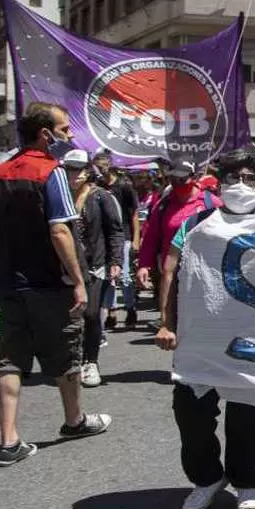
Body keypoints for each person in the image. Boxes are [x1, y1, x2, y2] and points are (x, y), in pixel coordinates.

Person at [0, 102, 111, 467]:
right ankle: (74, 421)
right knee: (65, 353)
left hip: (9, 282)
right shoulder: (50, 172)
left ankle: (9, 440)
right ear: (45, 133)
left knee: (9, 359)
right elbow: (59, 230)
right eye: (65, 130)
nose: (68, 136)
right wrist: (77, 279)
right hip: (48, 282)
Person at [155, 148, 255, 509]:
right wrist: (166, 323)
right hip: (201, 335)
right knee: (190, 412)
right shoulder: (196, 224)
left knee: (252, 413)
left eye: (249, 179)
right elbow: (171, 271)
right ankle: (206, 478)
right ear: (219, 184)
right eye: (232, 179)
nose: (240, 186)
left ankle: (248, 481)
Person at [63, 150, 125, 388]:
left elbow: (115, 231)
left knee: (90, 314)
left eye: (78, 169)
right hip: (67, 266)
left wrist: (116, 261)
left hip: (95, 266)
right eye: (69, 169)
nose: (74, 175)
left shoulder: (101, 197)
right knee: (69, 316)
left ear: (87, 172)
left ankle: (91, 362)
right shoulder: (59, 196)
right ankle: (71, 360)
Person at [138, 159, 219, 334]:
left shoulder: (211, 203)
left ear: (194, 178)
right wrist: (144, 265)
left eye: (182, 179)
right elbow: (151, 236)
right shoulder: (163, 205)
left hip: (203, 272)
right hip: (172, 271)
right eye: (173, 179)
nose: (178, 184)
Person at [93, 149, 141, 329]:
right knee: (109, 276)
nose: (100, 171)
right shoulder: (97, 187)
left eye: (103, 167)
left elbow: (134, 213)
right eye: (97, 167)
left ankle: (130, 308)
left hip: (124, 235)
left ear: (110, 167)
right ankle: (111, 311)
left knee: (125, 275)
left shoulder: (124, 186)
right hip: (104, 237)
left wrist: (136, 238)